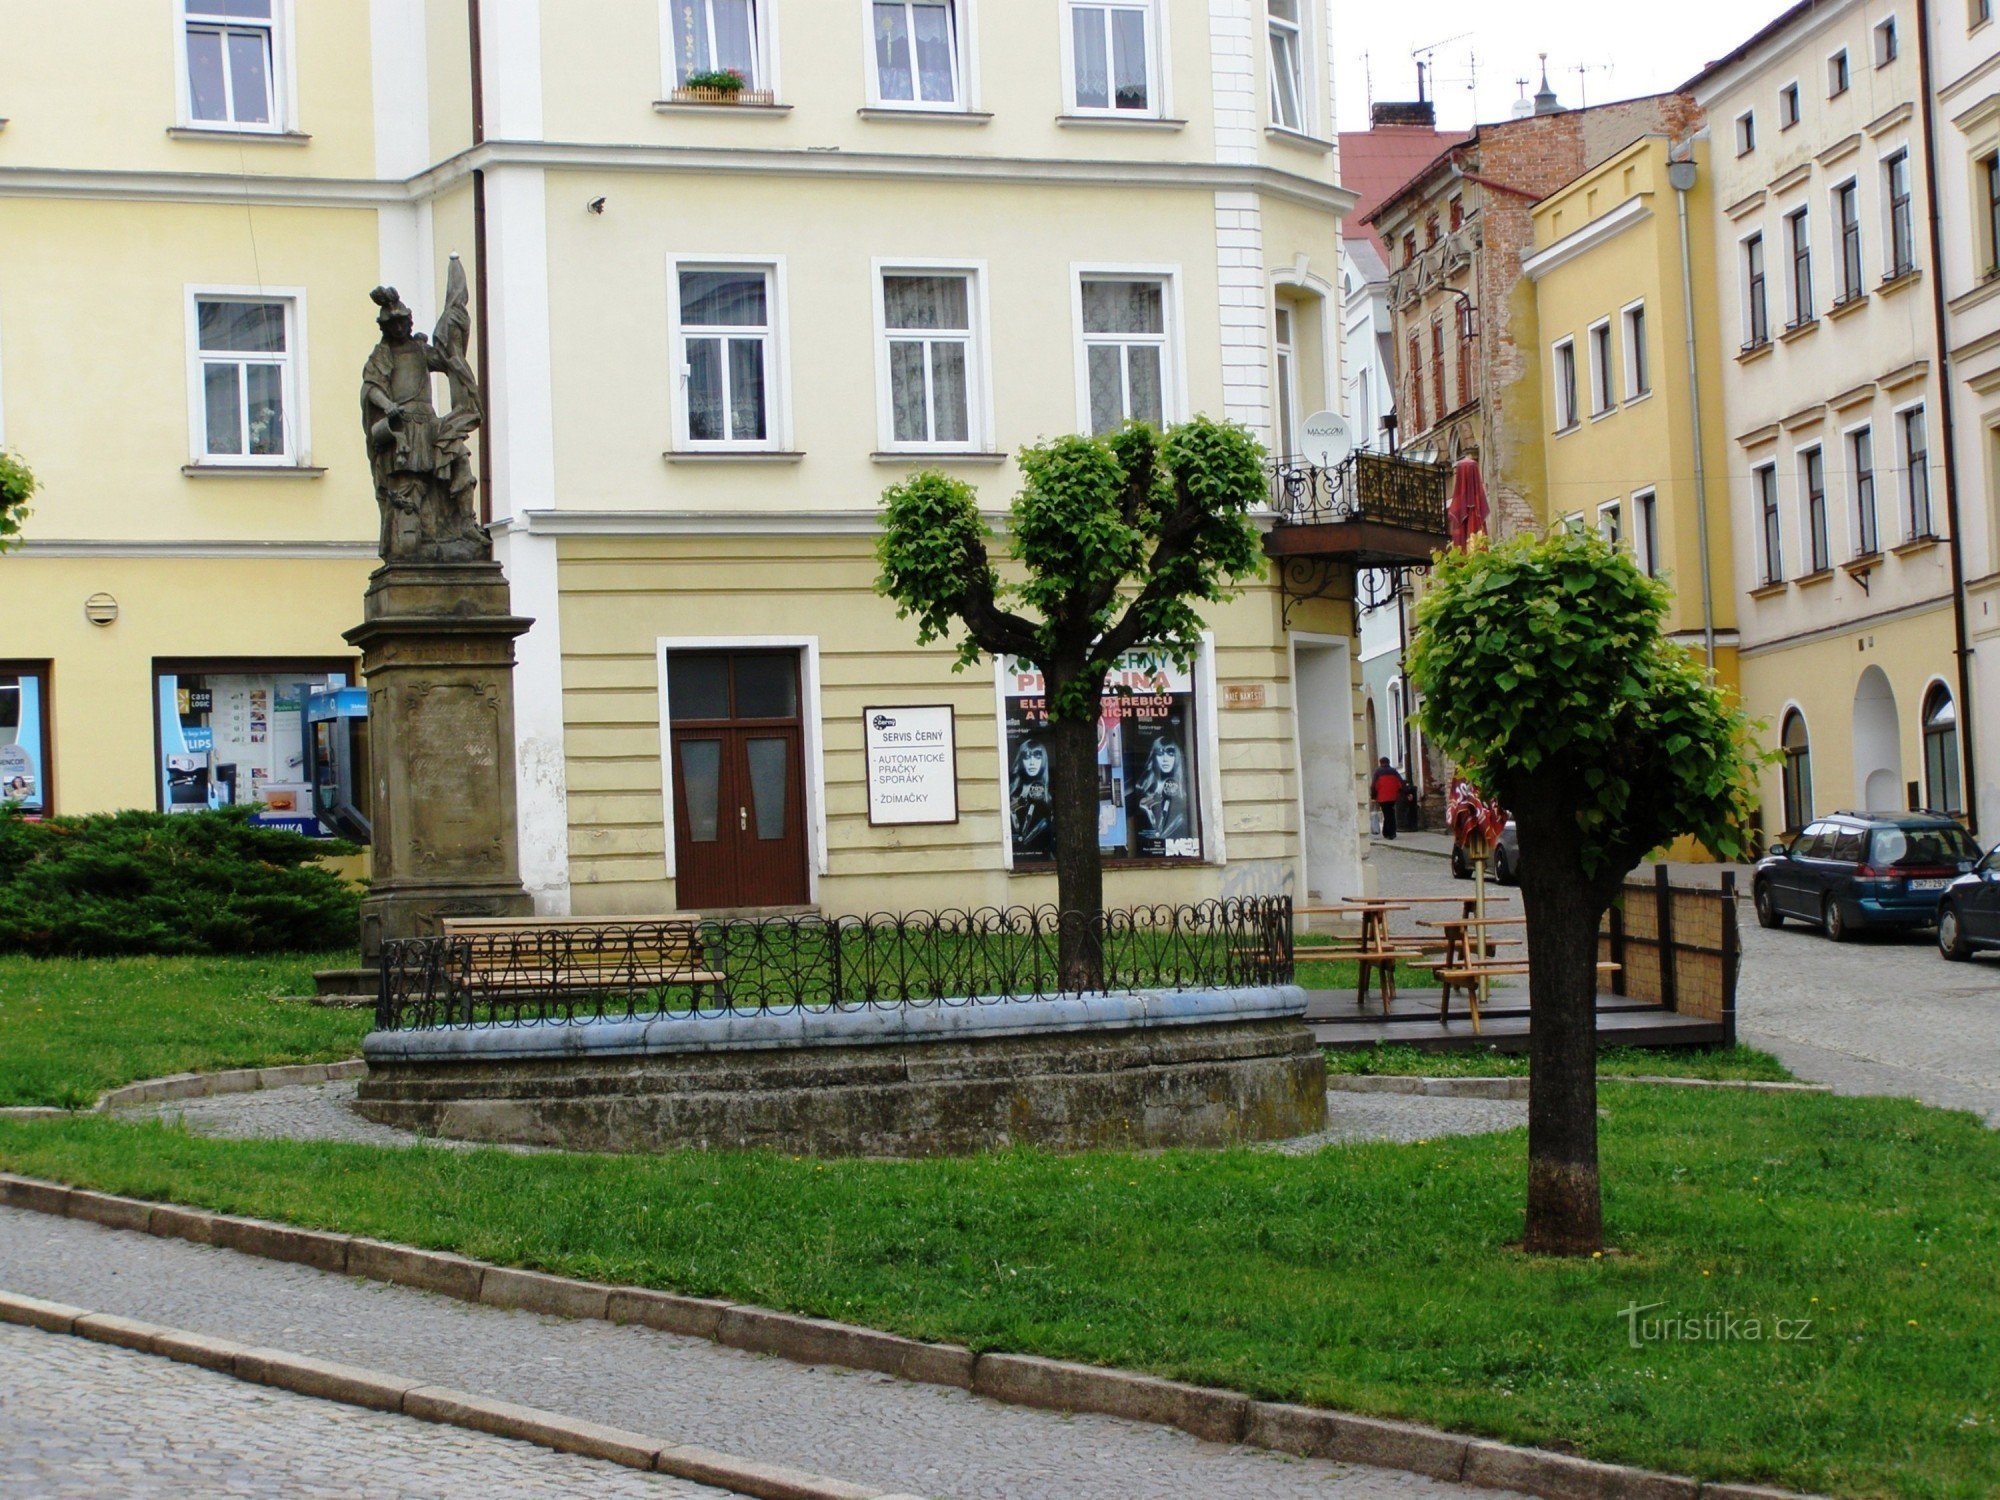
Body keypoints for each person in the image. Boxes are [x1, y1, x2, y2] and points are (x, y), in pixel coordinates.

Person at [1371, 757, 1407, 840]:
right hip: (1393, 796)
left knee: (1387, 814)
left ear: (1380, 763)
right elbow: (1401, 782)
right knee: (1390, 813)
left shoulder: (1377, 771)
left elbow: (1374, 785)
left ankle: (1390, 833)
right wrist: (1405, 793)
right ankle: (1387, 832)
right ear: (1388, 762)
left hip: (1382, 797)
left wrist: (1373, 796)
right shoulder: (1394, 771)